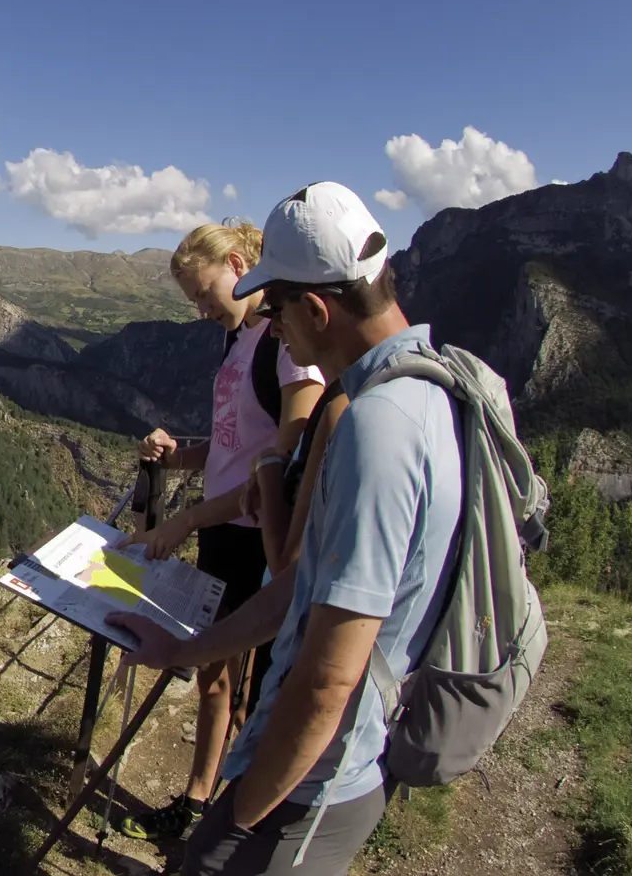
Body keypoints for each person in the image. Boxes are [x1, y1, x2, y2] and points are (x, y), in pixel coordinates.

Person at [112, 181, 463, 876]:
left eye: (278, 313)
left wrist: (237, 822)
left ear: (314, 307)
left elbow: (329, 672)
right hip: (323, 765)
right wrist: (185, 653)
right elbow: (304, 586)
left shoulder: (377, 426)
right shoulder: (428, 393)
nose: (275, 330)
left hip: (318, 777)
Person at [118, 221, 325, 841]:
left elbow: (279, 475)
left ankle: (231, 818)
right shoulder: (239, 341)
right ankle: (199, 801)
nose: (202, 310)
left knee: (248, 685)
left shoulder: (285, 345)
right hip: (222, 531)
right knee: (215, 678)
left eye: (206, 293)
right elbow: (235, 447)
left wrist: (186, 519)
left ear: (238, 263)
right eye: (194, 301)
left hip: (255, 542)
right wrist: (177, 454)